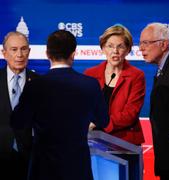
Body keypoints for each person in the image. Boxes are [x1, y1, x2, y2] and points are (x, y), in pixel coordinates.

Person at [10, 29, 109, 180]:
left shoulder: (35, 86)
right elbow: (103, 120)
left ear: (47, 54)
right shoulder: (90, 84)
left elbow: (18, 121)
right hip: (77, 168)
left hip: (43, 170)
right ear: (73, 54)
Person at [84, 25, 145, 145]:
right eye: (110, 46)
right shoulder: (90, 74)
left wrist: (101, 122)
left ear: (128, 49)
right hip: (93, 140)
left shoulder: (136, 76)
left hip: (125, 141)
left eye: (120, 46)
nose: (115, 51)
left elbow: (130, 113)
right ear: (103, 48)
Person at [139, 22, 169, 180]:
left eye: (146, 43)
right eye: (140, 43)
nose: (141, 48)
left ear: (163, 44)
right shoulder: (166, 67)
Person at [0, 31, 39, 180]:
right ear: (4, 53)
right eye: (14, 49)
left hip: (31, 160)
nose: (20, 54)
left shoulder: (40, 83)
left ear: (29, 52)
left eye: (23, 49)